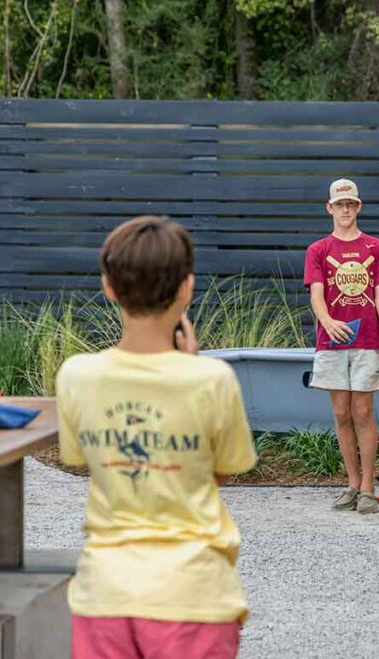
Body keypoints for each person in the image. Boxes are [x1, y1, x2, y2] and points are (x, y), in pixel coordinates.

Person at [57, 216, 257, 659]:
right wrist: (192, 364)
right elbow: (219, 473)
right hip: (195, 595)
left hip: (103, 594)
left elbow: (89, 463)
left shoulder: (76, 376)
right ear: (187, 288)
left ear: (108, 287)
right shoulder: (212, 379)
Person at [305, 178, 379, 515]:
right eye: (339, 204)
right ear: (330, 208)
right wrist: (327, 321)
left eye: (351, 204)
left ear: (358, 207)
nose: (345, 209)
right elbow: (316, 294)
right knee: (341, 413)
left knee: (363, 412)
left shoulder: (376, 248)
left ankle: (369, 487)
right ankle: (352, 483)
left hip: (367, 338)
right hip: (331, 342)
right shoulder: (319, 250)